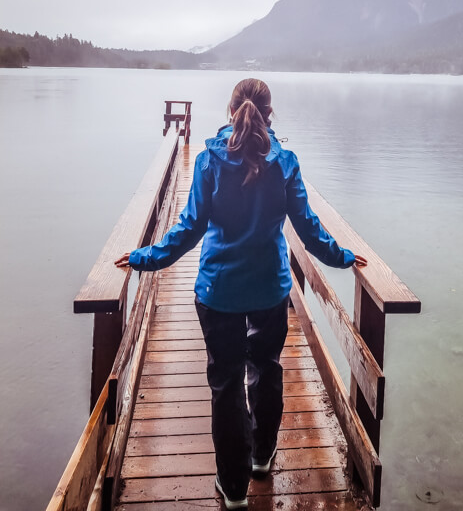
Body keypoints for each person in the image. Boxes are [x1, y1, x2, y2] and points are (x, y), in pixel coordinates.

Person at [115, 78, 367, 510]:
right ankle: (263, 458)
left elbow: (190, 228)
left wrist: (145, 258)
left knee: (226, 385)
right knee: (266, 369)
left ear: (230, 109)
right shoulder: (284, 162)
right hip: (270, 287)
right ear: (269, 114)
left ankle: (233, 489)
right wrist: (343, 257)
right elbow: (307, 229)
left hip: (219, 289)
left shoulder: (210, 160)